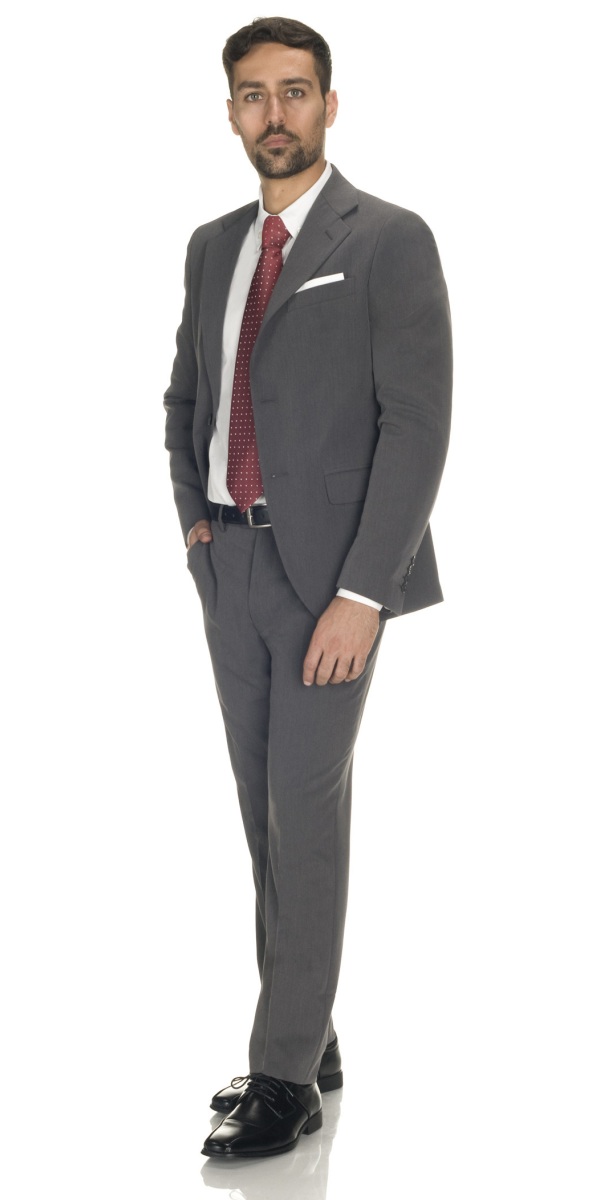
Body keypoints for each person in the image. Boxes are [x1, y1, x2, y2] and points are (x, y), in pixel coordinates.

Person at [164, 16, 452, 1159]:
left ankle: (282, 1075)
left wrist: (364, 594)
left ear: (330, 105)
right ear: (231, 112)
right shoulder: (211, 245)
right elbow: (185, 398)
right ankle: (309, 1023)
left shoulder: (386, 238)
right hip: (229, 563)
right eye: (252, 94)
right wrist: (196, 525)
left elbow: (416, 425)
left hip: (333, 579)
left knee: (307, 808)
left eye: (293, 91)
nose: (273, 113)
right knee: (263, 813)